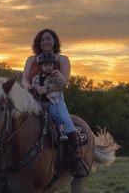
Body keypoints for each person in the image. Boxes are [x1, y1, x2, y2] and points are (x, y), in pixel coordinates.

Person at [21, 29, 88, 178]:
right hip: (34, 99)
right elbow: (24, 79)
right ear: (38, 42)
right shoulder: (31, 60)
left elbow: (63, 83)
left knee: (66, 121)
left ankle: (75, 159)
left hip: (55, 99)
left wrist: (44, 89)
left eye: (48, 39)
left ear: (55, 41)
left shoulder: (62, 59)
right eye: (42, 39)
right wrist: (29, 87)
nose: (45, 42)